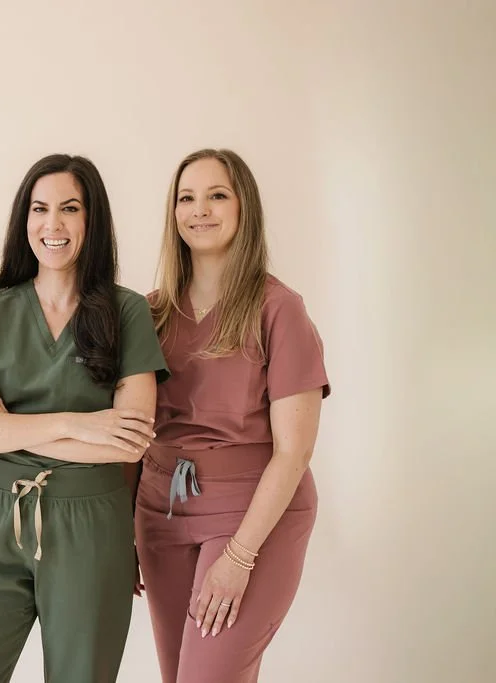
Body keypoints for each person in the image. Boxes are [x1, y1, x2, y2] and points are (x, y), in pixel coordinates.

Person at [0, 154, 169, 683]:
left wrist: (7, 428)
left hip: (90, 526)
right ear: (24, 220)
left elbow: (129, 442)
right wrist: (77, 423)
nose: (53, 224)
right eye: (40, 209)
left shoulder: (127, 311)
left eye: (70, 208)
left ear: (93, 221)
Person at [136, 148, 330, 683]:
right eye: (187, 198)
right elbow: (129, 430)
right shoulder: (150, 312)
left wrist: (240, 556)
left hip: (253, 516)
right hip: (161, 514)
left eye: (217, 195)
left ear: (244, 208)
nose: (200, 210)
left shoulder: (278, 308)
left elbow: (295, 452)